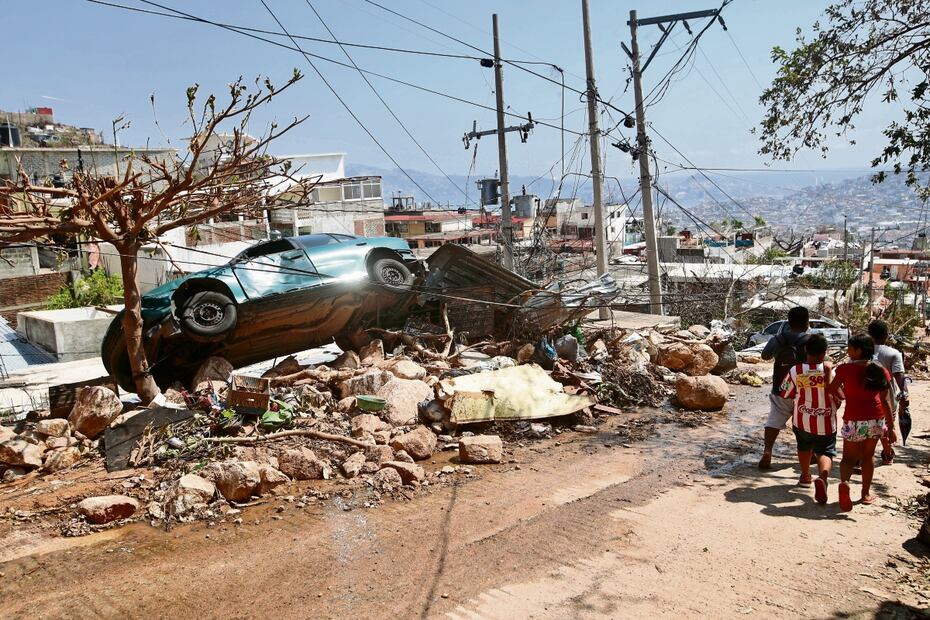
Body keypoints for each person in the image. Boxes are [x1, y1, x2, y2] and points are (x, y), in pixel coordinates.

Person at [829, 334, 897, 511]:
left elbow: (831, 389)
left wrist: (844, 397)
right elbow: (885, 401)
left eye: (849, 348)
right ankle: (865, 494)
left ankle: (845, 483)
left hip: (853, 419)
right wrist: (891, 427)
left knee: (848, 459)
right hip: (875, 419)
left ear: (858, 351)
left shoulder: (844, 369)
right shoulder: (880, 370)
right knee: (868, 457)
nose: (847, 350)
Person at [778, 333, 836, 503]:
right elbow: (840, 395)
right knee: (825, 451)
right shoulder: (829, 370)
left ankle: (805, 476)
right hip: (825, 421)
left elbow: (785, 392)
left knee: (804, 447)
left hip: (802, 419)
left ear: (805, 350)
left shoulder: (795, 370)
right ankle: (823, 478)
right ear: (824, 352)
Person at [758, 306, 811, 469]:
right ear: (807, 322)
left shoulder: (778, 339)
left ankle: (767, 450)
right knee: (805, 422)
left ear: (788, 321)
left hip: (782, 385)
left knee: (775, 417)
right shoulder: (811, 340)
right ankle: (811, 454)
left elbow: (764, 355)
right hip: (804, 387)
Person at [868, 320, 907, 464]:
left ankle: (863, 457)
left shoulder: (862, 351)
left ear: (869, 334)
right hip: (888, 397)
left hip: (865, 396)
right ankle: (887, 453)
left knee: (867, 424)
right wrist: (904, 396)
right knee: (886, 424)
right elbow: (900, 377)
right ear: (886, 335)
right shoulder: (893, 353)